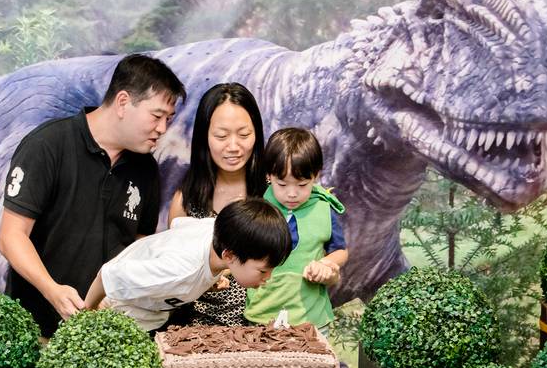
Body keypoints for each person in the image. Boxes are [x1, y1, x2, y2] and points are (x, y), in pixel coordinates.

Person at [0, 54, 186, 338]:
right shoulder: (48, 146)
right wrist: (52, 290)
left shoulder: (145, 167)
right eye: (156, 116)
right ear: (123, 102)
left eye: (168, 119)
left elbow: (138, 242)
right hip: (37, 330)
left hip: (108, 333)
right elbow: (11, 236)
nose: (162, 129)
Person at [83, 198, 292, 331]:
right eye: (263, 271)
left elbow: (179, 224)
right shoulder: (180, 269)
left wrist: (210, 279)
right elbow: (108, 274)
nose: (268, 278)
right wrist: (87, 314)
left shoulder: (217, 231)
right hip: (118, 313)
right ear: (229, 255)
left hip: (153, 315)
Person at [166, 83, 266, 326]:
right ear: (204, 138)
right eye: (221, 136)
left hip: (266, 331)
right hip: (198, 333)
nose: (233, 146)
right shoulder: (186, 201)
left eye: (244, 135)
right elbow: (174, 274)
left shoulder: (274, 193)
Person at [244, 128, 348, 330]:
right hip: (262, 316)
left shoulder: (324, 209)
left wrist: (325, 264)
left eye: (302, 185)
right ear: (269, 175)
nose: (292, 194)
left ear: (316, 176)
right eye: (282, 184)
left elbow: (340, 251)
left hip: (312, 318)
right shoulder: (257, 208)